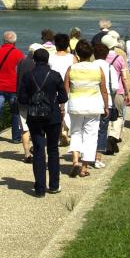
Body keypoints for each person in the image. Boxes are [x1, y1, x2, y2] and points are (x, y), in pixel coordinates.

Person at [18, 48, 68, 196]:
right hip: (53, 117)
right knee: (53, 150)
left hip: (34, 117)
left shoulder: (28, 76)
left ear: (34, 60)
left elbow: (22, 98)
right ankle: (54, 185)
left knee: (39, 150)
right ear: (48, 60)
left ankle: (39, 188)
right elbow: (64, 97)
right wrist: (53, 101)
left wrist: (34, 100)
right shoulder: (55, 75)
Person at [65, 40, 108, 178]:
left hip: (76, 105)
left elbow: (65, 90)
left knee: (76, 132)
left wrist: (61, 106)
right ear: (91, 54)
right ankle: (84, 167)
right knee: (91, 135)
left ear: (77, 53)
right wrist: (106, 106)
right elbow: (104, 91)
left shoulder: (71, 69)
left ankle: (75, 160)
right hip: (93, 105)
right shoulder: (98, 69)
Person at [0, 31, 25, 146]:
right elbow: (22, 70)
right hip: (13, 87)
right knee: (15, 113)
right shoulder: (19, 54)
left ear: (3, 40)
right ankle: (16, 137)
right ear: (15, 42)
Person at [102, 31, 130, 144]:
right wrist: (128, 93)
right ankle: (113, 136)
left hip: (103, 90)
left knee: (105, 114)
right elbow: (124, 78)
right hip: (118, 90)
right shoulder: (119, 58)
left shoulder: (100, 58)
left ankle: (106, 136)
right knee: (119, 115)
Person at [16, 43, 44, 162]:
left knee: (25, 128)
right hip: (36, 100)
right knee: (38, 127)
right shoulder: (39, 64)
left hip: (22, 98)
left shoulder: (22, 61)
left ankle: (27, 153)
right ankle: (37, 150)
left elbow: (18, 79)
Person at [92, 43, 119, 169]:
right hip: (105, 102)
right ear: (106, 55)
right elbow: (115, 87)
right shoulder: (109, 67)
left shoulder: (91, 66)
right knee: (102, 131)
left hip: (91, 101)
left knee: (90, 130)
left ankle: (87, 154)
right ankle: (97, 157)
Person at [49, 33, 76, 146]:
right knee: (68, 111)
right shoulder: (72, 58)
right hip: (68, 88)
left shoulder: (50, 57)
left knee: (56, 112)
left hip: (53, 88)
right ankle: (65, 130)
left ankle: (60, 133)